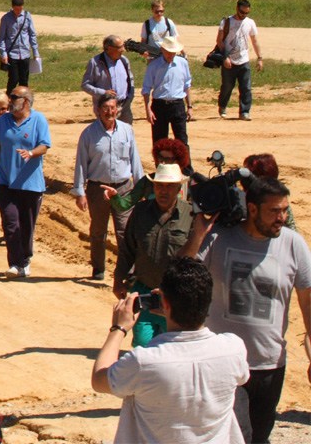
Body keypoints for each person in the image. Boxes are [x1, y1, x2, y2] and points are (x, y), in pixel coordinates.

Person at [184, 177, 311, 444]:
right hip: (223, 362)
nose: (282, 217)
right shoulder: (218, 237)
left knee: (259, 437)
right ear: (252, 209)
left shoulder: (294, 244)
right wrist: (198, 234)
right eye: (274, 211)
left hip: (270, 364)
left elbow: (308, 304)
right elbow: (180, 278)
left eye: (285, 210)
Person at [91, 257, 247, 444]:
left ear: (163, 301)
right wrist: (169, 307)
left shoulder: (144, 362)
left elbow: (99, 380)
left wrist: (118, 329)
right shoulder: (233, 349)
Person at [0, 87, 51, 280]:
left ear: (25, 101)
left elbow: (45, 145)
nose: (10, 101)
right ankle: (16, 263)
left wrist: (31, 153)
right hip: (6, 181)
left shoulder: (38, 119)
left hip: (30, 183)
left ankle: (25, 260)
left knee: (26, 225)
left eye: (14, 98)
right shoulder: (5, 120)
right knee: (10, 222)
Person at [113, 164, 191, 348]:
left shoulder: (190, 215)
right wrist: (118, 279)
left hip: (175, 297)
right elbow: (128, 249)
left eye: (169, 186)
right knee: (142, 343)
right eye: (159, 186)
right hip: (144, 291)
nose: (163, 191)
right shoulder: (140, 212)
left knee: (173, 347)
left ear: (179, 188)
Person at [74, 93, 144, 282]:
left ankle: (127, 271)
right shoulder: (88, 134)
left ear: (117, 110)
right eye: (105, 109)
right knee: (98, 231)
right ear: (98, 110)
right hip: (98, 189)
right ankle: (98, 269)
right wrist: (80, 192)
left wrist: (142, 187)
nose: (109, 112)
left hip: (123, 188)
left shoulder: (127, 131)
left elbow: (134, 159)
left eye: (113, 108)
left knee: (125, 231)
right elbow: (81, 164)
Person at [141, 35, 192, 150]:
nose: (171, 55)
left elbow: (187, 85)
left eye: (173, 52)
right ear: (162, 50)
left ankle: (186, 168)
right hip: (160, 106)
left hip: (178, 105)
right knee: (159, 143)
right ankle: (160, 167)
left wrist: (190, 106)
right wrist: (148, 110)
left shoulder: (183, 63)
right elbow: (146, 89)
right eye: (169, 52)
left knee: (182, 141)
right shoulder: (154, 66)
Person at [217, 0, 262, 121]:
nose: (244, 15)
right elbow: (220, 40)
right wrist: (225, 57)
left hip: (244, 60)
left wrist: (259, 58)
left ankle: (244, 111)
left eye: (246, 13)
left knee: (246, 87)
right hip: (229, 60)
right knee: (227, 86)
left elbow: (255, 41)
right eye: (242, 12)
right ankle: (222, 106)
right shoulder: (227, 22)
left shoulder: (250, 23)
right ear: (237, 9)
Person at [81, 35, 136, 124]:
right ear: (110, 48)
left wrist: (130, 98)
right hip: (106, 109)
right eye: (120, 47)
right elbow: (85, 85)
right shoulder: (95, 62)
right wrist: (103, 93)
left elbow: (130, 80)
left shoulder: (124, 60)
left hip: (124, 107)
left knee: (126, 134)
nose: (123, 50)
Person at [0, 0, 38, 93]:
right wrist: (3, 54)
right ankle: (9, 101)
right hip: (12, 54)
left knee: (24, 81)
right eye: (17, 9)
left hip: (25, 53)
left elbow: (32, 34)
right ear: (12, 7)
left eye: (21, 9)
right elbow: (1, 38)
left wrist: (35, 51)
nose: (19, 11)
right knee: (13, 79)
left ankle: (23, 102)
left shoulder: (27, 16)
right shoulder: (6, 19)